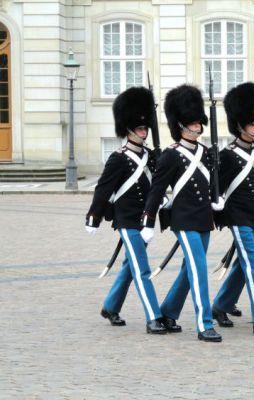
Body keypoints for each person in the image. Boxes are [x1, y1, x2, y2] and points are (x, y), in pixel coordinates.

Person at [141, 85, 223, 342]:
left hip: (203, 218)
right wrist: (148, 222)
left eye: (199, 121)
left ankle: (168, 311)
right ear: (182, 125)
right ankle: (204, 323)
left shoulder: (207, 153)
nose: (198, 125)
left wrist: (217, 201)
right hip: (183, 219)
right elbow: (156, 191)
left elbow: (211, 185)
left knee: (190, 270)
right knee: (199, 269)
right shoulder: (171, 155)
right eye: (193, 121)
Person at [85, 86, 167, 334]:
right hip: (127, 220)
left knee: (130, 266)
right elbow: (103, 189)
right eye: (140, 128)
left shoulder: (152, 156)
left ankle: (110, 306)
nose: (144, 131)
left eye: (145, 128)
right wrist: (93, 217)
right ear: (129, 129)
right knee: (142, 268)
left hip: (145, 221)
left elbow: (158, 184)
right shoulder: (118, 158)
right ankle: (154, 316)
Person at [211, 82, 254, 336]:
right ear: (239, 126)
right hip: (239, 217)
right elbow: (217, 188)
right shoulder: (228, 155)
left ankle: (220, 305)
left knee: (243, 264)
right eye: (251, 124)